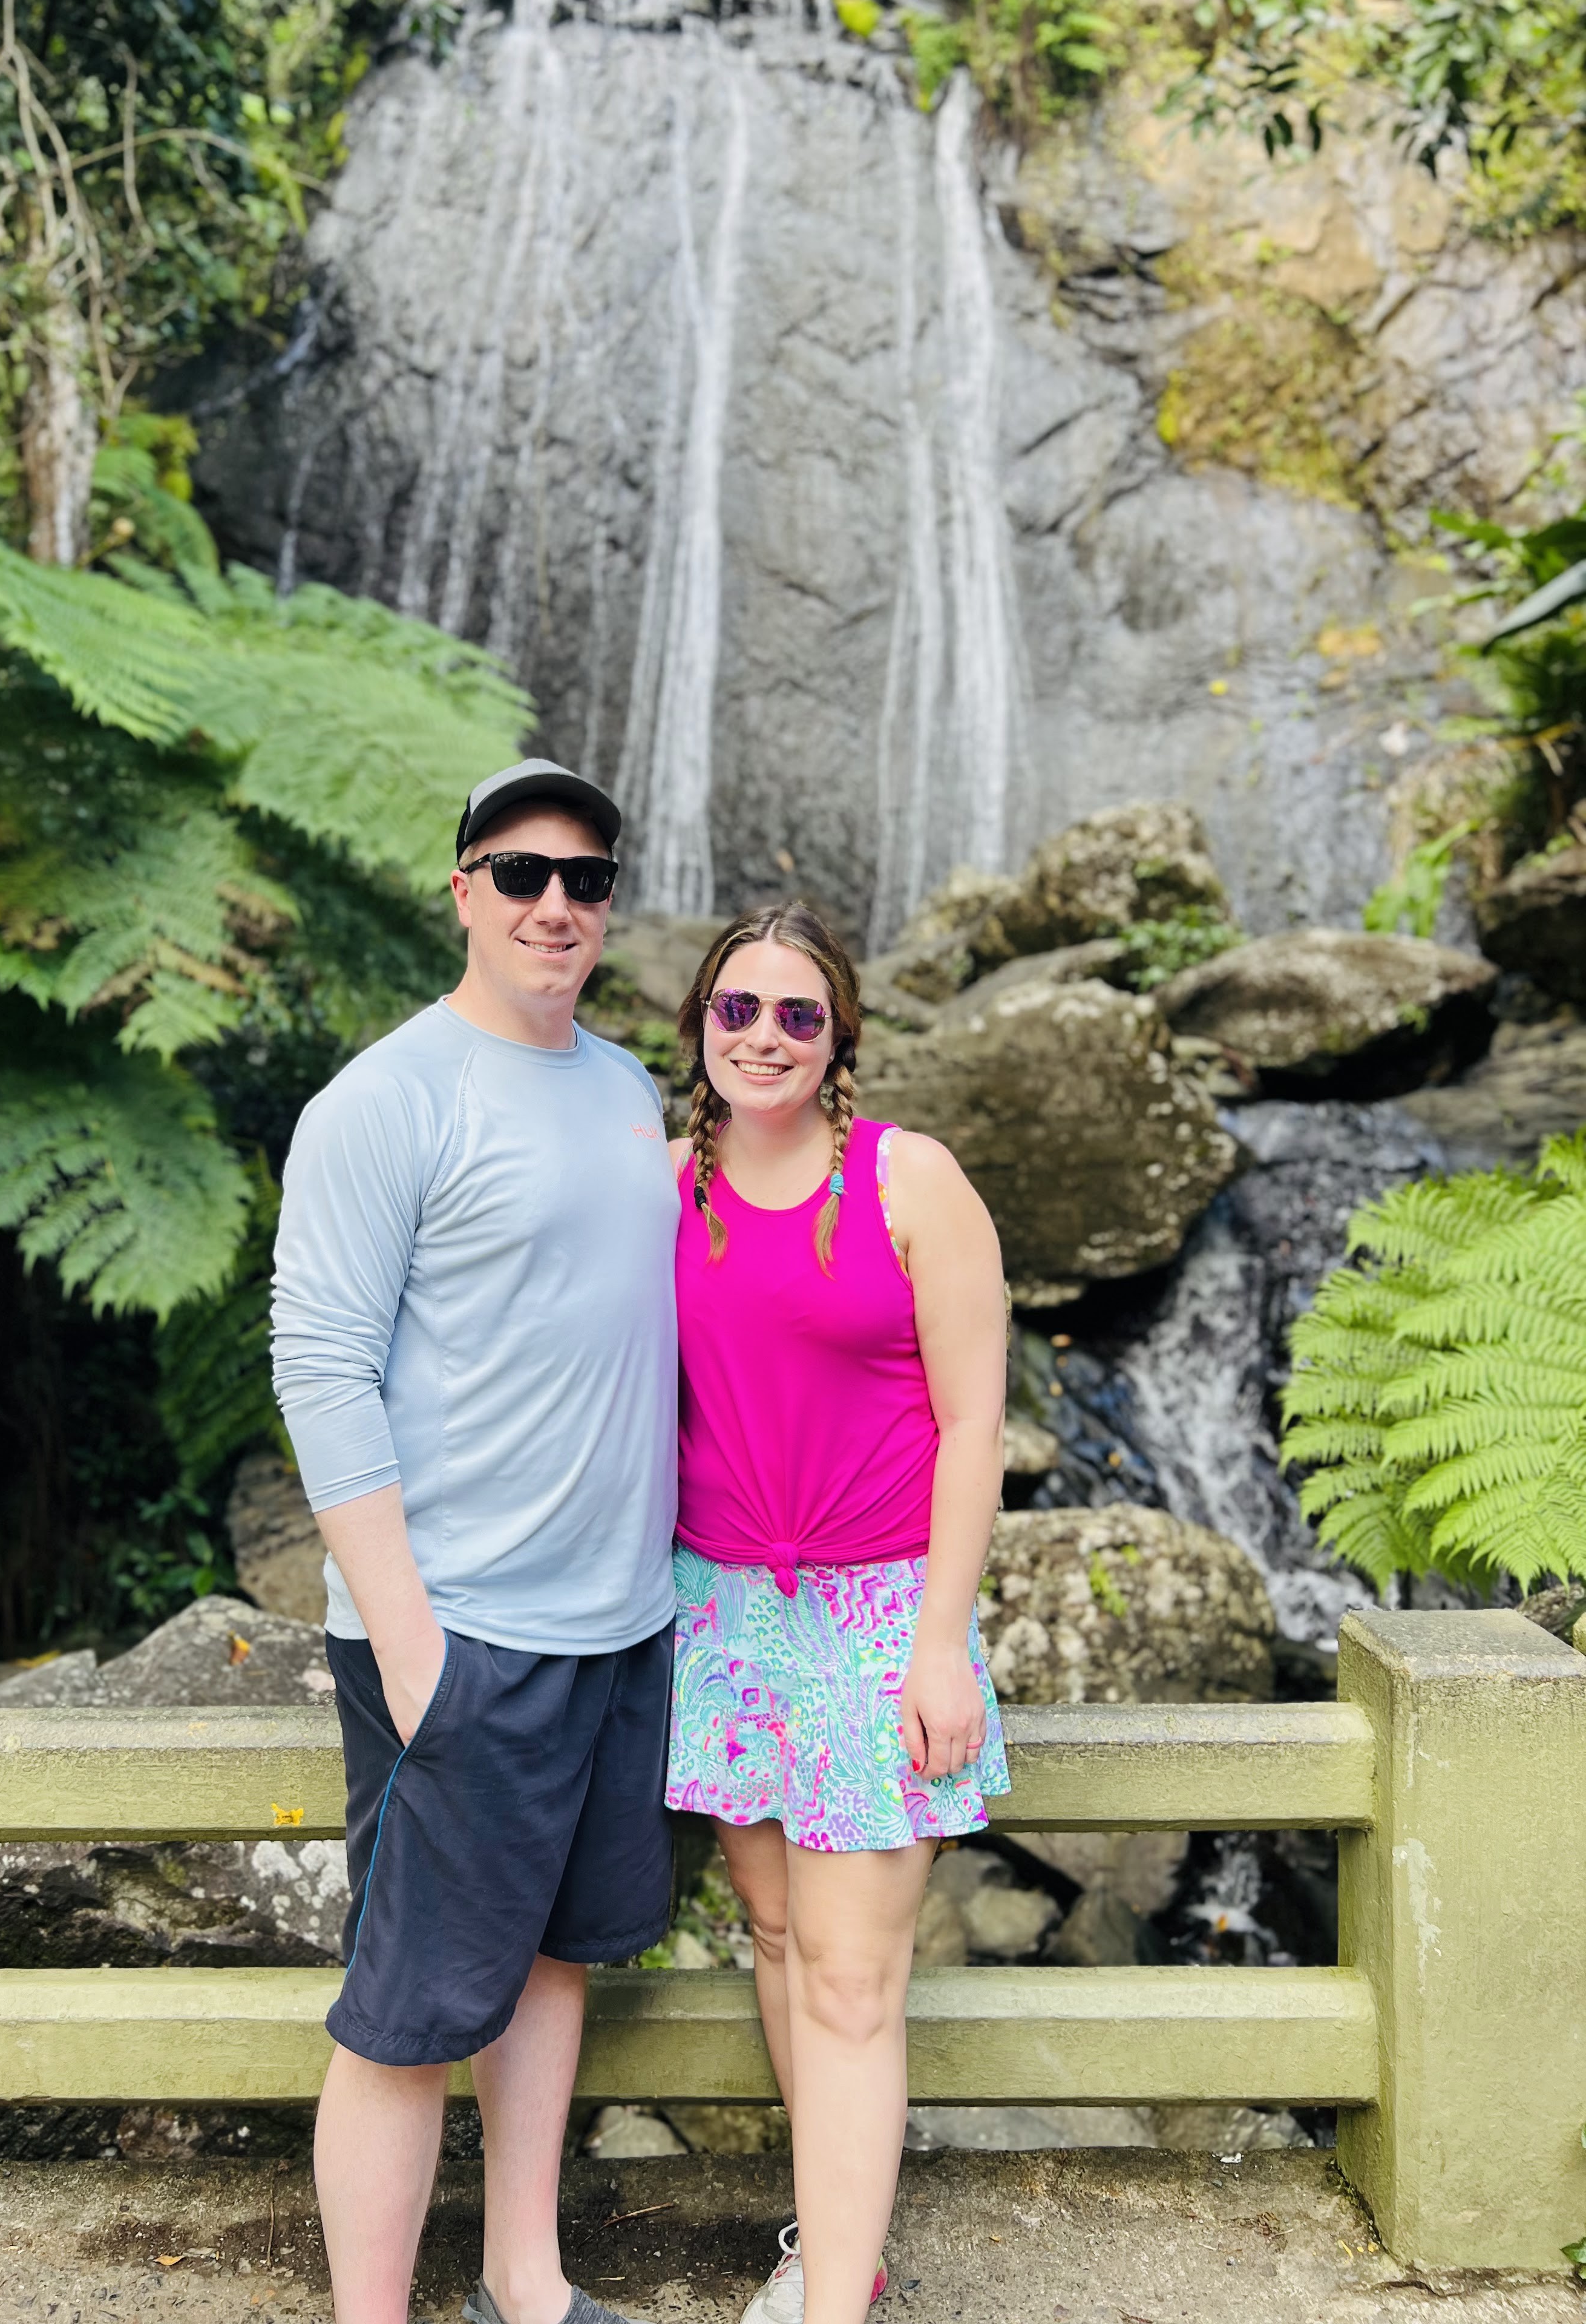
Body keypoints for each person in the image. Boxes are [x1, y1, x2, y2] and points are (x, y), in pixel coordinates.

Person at [271, 758, 679, 2324]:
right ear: (462, 890)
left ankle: (529, 2279)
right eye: (522, 874)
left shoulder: (629, 1087)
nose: (556, 905)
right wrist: (412, 1637)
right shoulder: (388, 1099)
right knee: (407, 2013)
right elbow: (320, 1365)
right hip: (461, 1630)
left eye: (585, 881)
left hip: (613, 1623)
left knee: (555, 1960)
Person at [664, 901, 1012, 2324]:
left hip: (878, 1615)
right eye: (737, 1010)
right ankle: (833, 2241)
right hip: (721, 1611)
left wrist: (941, 1639)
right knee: (783, 1940)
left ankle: (836, 2309)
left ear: (840, 1038)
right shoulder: (658, 1184)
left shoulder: (908, 1182)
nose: (763, 1036)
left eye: (796, 1014)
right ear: (698, 1029)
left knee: (858, 1981)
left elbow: (978, 1417)